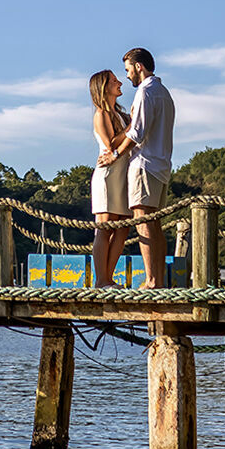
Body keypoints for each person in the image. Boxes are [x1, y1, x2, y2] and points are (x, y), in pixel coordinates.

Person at [97, 47, 175, 288]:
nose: (127, 75)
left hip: (144, 164)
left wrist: (116, 155)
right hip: (162, 165)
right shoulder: (164, 92)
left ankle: (152, 281)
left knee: (143, 221)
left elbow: (137, 133)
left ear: (138, 66)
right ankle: (158, 280)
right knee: (155, 224)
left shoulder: (144, 93)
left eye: (128, 69)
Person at [88, 68, 130, 287]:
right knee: (105, 228)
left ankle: (109, 277)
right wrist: (131, 128)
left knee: (123, 227)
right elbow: (111, 143)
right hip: (107, 176)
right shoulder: (101, 114)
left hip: (122, 176)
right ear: (104, 88)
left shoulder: (121, 115)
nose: (119, 83)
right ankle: (101, 280)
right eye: (114, 81)